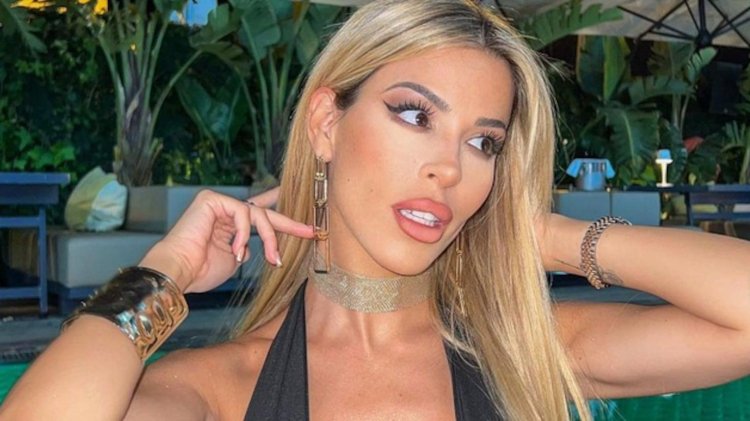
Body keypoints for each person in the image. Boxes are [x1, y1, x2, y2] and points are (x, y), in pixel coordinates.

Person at [3, 0, 750, 419]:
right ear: (327, 124)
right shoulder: (220, 386)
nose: (450, 167)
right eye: (415, 115)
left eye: (483, 142)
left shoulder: (522, 349)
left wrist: (542, 234)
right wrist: (162, 273)